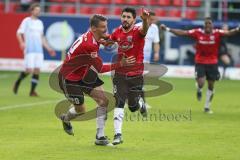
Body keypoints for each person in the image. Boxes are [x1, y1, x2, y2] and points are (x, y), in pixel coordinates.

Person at [58, 14, 135, 146]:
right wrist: (120, 64)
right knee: (81, 110)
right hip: (69, 78)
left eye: (106, 26)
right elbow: (100, 68)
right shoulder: (89, 45)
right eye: (103, 27)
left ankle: (100, 136)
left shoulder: (93, 36)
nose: (106, 30)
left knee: (104, 101)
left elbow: (106, 39)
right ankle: (65, 118)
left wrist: (118, 39)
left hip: (84, 73)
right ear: (94, 28)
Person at [161, 17, 240, 114]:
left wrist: (237, 29)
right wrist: (168, 29)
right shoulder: (197, 32)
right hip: (200, 62)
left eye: (209, 24)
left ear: (212, 25)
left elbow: (229, 33)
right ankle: (199, 88)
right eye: (206, 24)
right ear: (204, 25)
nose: (207, 26)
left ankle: (207, 106)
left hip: (212, 63)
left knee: (211, 85)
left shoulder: (217, 33)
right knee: (201, 82)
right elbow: (183, 33)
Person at [109, 7, 150, 145]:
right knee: (119, 101)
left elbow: (144, 30)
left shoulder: (138, 32)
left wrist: (145, 20)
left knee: (132, 107)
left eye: (128, 17)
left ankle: (140, 103)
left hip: (136, 74)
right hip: (120, 73)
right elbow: (109, 41)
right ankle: (117, 134)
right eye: (123, 16)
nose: (125, 19)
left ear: (134, 19)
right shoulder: (117, 32)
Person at [13, 3, 56, 96]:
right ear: (31, 11)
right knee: (29, 70)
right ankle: (17, 82)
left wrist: (49, 48)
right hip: (29, 49)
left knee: (37, 70)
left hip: (39, 50)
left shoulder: (40, 23)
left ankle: (32, 91)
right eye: (36, 10)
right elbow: (19, 33)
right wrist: (21, 42)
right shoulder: (26, 21)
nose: (38, 12)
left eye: (39, 10)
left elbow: (42, 38)